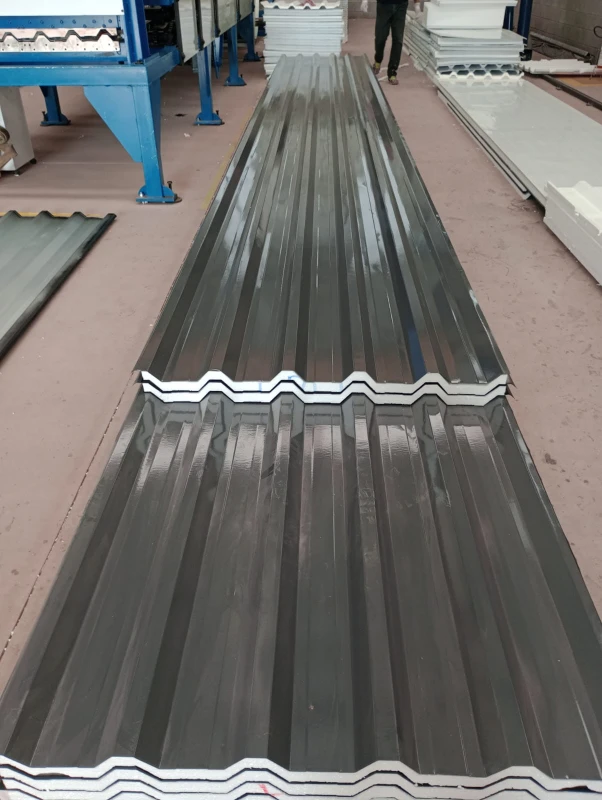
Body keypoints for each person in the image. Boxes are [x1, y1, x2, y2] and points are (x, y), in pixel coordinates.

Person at [361, 0, 413, 85]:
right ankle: (378, 61)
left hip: (401, 5)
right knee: (380, 37)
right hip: (383, 5)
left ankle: (392, 72)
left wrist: (417, 3)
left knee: (398, 39)